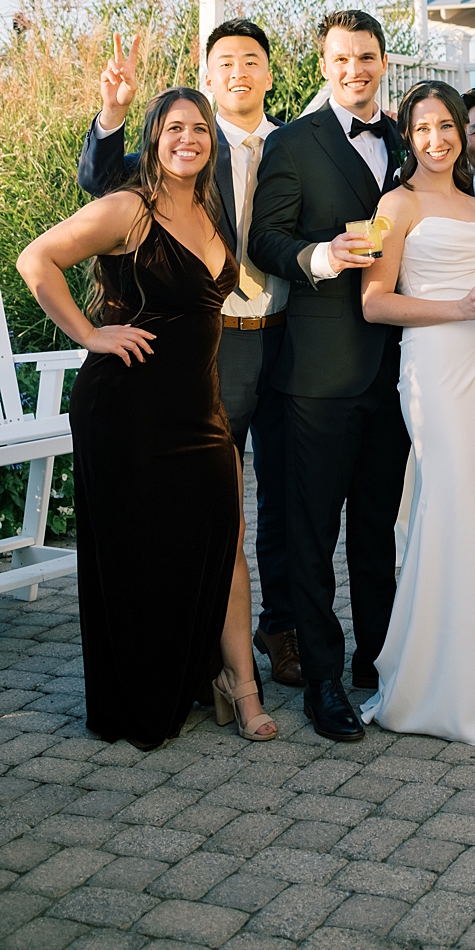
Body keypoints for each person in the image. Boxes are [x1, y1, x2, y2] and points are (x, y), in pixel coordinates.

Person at [18, 89, 266, 747]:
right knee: (134, 555)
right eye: (175, 128)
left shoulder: (210, 210)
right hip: (127, 409)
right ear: (154, 137)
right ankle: (143, 699)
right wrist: (89, 335)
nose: (189, 138)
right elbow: (35, 260)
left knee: (216, 533)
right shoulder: (129, 208)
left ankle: (220, 677)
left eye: (200, 129)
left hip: (196, 408)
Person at [77, 20, 301, 689]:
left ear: (268, 73)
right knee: (203, 509)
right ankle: (202, 654)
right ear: (208, 77)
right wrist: (114, 111)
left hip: (284, 337)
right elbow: (102, 183)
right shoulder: (186, 146)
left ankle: (281, 632)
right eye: (224, 61)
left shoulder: (297, 143)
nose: (239, 72)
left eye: (252, 61)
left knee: (282, 501)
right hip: (204, 351)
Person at [352, 82, 475, 744]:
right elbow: (374, 302)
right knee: (453, 502)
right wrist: (461, 309)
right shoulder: (392, 205)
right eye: (424, 127)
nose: (438, 139)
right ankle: (441, 680)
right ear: (409, 134)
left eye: (448, 127)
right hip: (435, 367)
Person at [248, 10, 412, 743]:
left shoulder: (411, 138)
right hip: (318, 375)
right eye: (342, 58)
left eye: (368, 56)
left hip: (399, 371)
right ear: (323, 62)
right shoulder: (293, 142)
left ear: (383, 60)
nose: (356, 69)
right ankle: (322, 681)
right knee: (314, 535)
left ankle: (378, 664)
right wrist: (320, 257)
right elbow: (266, 239)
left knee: (378, 530)